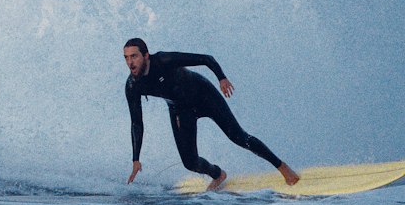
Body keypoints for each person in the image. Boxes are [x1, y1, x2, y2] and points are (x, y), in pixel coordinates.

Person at [123, 37, 299, 190]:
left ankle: (282, 167)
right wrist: (136, 159)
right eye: (126, 58)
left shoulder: (164, 60)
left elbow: (207, 59)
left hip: (204, 96)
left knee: (239, 137)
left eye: (134, 56)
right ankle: (218, 175)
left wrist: (221, 78)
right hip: (181, 110)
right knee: (190, 163)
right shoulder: (132, 86)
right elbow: (136, 123)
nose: (130, 62)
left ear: (146, 55)